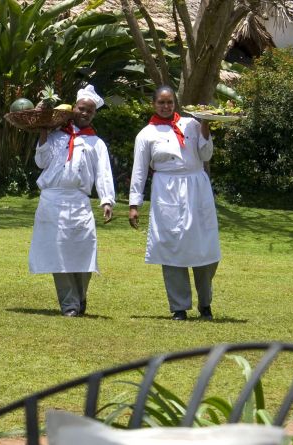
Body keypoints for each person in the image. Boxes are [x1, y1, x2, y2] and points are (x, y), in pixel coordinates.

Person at [128, 85, 219, 321]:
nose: (166, 106)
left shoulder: (192, 124)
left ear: (175, 103)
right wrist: (134, 205)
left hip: (197, 188)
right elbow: (139, 170)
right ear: (153, 104)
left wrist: (205, 125)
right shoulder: (146, 134)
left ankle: (205, 303)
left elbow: (206, 155)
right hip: (166, 191)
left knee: (204, 246)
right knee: (172, 247)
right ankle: (179, 306)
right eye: (161, 102)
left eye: (169, 102)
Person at [28, 85, 115, 317]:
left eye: (90, 111)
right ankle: (69, 304)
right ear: (73, 109)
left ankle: (80, 296)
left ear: (94, 114)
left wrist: (107, 200)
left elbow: (104, 173)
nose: (85, 113)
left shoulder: (96, 143)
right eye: (81, 108)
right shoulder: (56, 136)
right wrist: (44, 130)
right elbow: (41, 162)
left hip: (79, 201)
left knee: (83, 251)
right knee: (58, 253)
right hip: (52, 200)